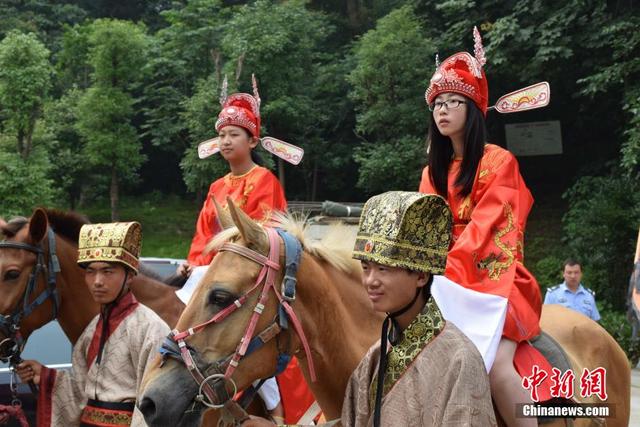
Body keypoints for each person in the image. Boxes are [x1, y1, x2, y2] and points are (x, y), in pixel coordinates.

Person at [242, 192, 497, 427]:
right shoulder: (376, 355)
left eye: (383, 269)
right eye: (366, 268)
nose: (370, 281)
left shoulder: (460, 358)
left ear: (420, 275)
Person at [419, 28, 546, 426]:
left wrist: (442, 272)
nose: (442, 110)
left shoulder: (499, 162)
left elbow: (490, 231)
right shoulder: (432, 172)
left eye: (453, 101)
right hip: (440, 279)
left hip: (495, 281)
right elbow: (425, 229)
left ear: (472, 109)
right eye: (437, 103)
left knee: (495, 366)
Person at [16, 222, 170, 426]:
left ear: (130, 276)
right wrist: (45, 376)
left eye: (108, 271)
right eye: (90, 271)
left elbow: (155, 402)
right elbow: (79, 389)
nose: (97, 281)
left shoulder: (151, 328)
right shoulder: (92, 329)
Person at [178, 77, 286, 275]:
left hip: (246, 271)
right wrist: (193, 264)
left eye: (234, 135)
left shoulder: (264, 180)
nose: (226, 141)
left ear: (252, 141)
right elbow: (204, 234)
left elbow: (263, 234)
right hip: (209, 270)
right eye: (222, 135)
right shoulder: (216, 186)